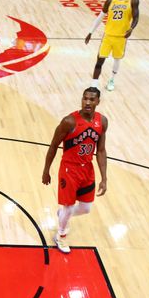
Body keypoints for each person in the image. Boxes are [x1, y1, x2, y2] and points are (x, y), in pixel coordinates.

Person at [42, 87, 108, 254]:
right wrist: (46, 170)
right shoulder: (69, 122)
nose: (87, 102)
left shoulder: (102, 122)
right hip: (69, 169)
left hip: (87, 169)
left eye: (92, 99)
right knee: (69, 206)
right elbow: (53, 146)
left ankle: (63, 213)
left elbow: (100, 150)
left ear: (98, 102)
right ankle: (61, 235)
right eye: (85, 98)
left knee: (86, 208)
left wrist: (104, 178)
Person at [84, 0, 139, 92]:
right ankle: (93, 85)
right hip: (108, 36)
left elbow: (136, 17)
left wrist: (131, 28)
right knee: (99, 60)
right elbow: (100, 17)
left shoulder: (133, 0)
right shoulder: (110, 0)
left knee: (117, 59)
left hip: (121, 37)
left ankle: (112, 79)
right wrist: (90, 32)